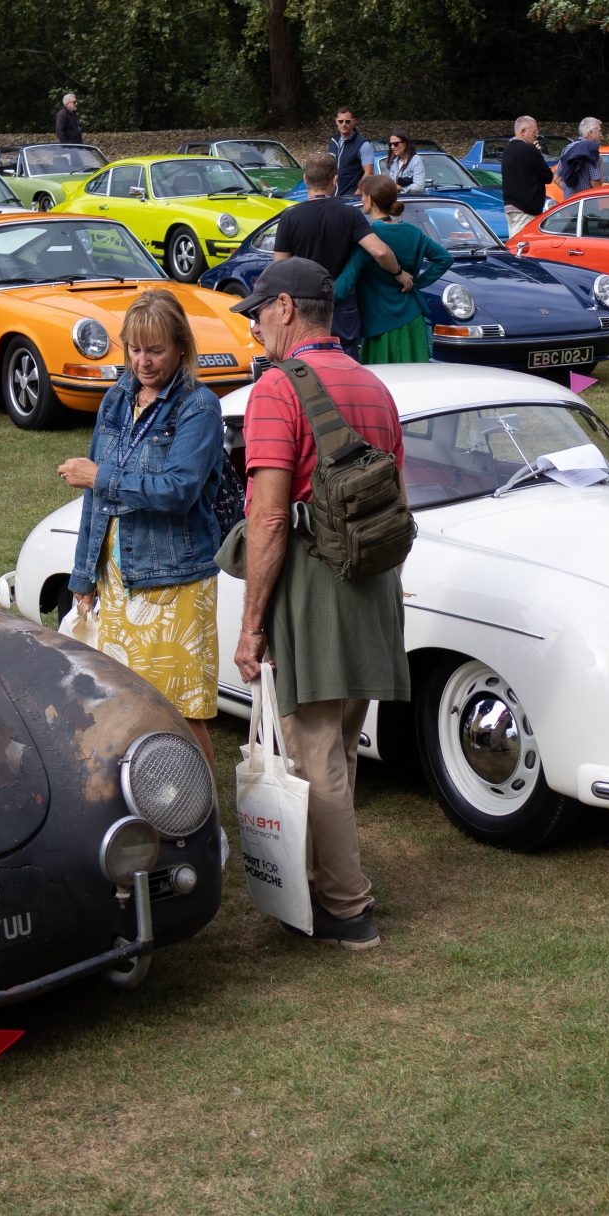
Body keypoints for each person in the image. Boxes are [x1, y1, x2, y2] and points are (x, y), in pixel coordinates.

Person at [229, 259, 411, 950]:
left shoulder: (277, 388)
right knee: (338, 749)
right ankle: (319, 881)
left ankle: (347, 906)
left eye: (258, 310)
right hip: (371, 585)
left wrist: (252, 625)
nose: (254, 324)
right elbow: (399, 499)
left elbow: (271, 517)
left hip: (312, 585)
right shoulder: (373, 385)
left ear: (285, 308)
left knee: (314, 755)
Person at [56, 289, 228, 723]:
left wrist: (100, 477)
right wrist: (84, 576)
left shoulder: (199, 407)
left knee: (180, 718)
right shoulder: (117, 397)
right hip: (118, 579)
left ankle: (194, 775)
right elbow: (96, 500)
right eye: (134, 349)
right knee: (126, 712)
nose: (143, 362)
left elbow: (177, 491)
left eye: (155, 351)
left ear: (181, 347)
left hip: (175, 582)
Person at [273, 151, 404, 353]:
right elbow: (379, 251)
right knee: (345, 360)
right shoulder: (350, 214)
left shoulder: (289, 217)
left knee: (308, 359)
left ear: (305, 179)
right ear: (334, 180)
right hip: (342, 306)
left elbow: (280, 267)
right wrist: (399, 273)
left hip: (304, 307)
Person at [335, 174, 452, 363]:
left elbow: (345, 282)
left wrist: (317, 304)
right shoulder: (413, 232)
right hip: (412, 318)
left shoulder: (370, 240)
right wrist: (416, 283)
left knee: (383, 379)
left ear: (371, 199)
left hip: (380, 326)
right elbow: (444, 259)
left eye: (363, 195)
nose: (361, 199)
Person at [497, 115, 551, 235]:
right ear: (523, 131)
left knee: (513, 241)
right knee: (522, 244)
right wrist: (538, 153)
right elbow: (548, 177)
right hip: (526, 210)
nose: (537, 135)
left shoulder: (508, 150)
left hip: (510, 207)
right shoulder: (529, 150)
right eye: (534, 132)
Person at [327, 108, 371, 197]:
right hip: (333, 196)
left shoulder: (363, 144)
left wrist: (358, 191)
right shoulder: (333, 141)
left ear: (353, 121)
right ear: (336, 121)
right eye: (340, 121)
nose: (344, 124)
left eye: (347, 121)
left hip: (351, 197)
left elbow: (369, 173)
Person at [556, 116, 603, 196]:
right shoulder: (591, 149)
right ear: (590, 133)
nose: (601, 135)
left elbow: (556, 179)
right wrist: (600, 162)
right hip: (587, 201)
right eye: (599, 131)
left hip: (571, 202)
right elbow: (596, 184)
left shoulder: (567, 148)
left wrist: (572, 194)